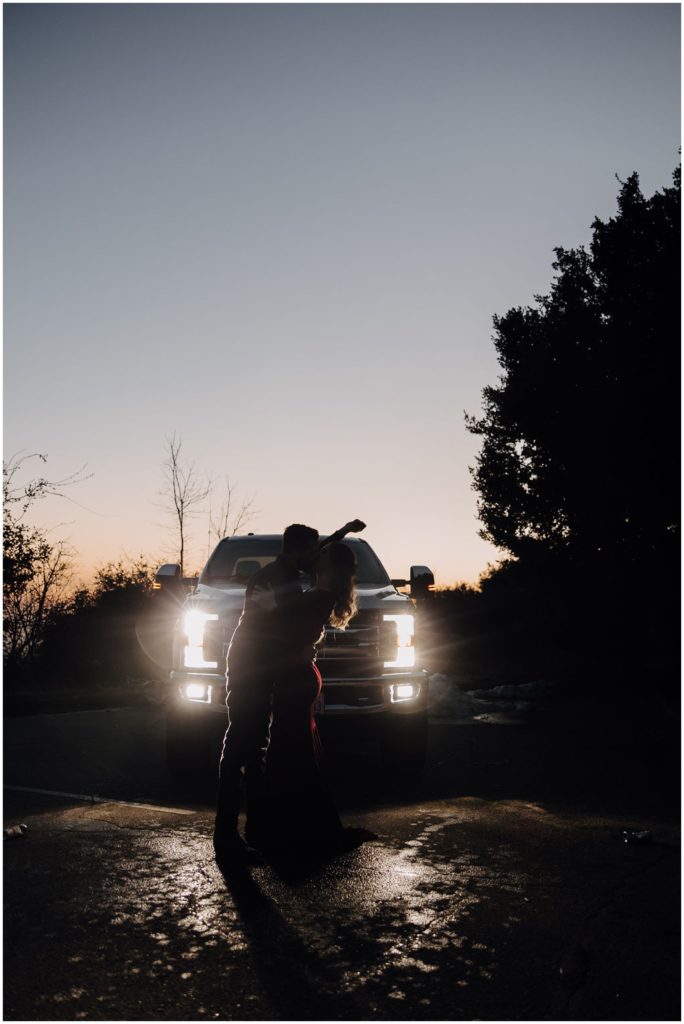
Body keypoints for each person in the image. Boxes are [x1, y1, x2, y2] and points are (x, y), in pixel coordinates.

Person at [213, 521, 365, 865]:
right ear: (299, 550)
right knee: (239, 746)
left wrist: (343, 532)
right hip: (250, 668)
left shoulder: (288, 574)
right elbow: (287, 624)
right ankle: (225, 836)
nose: (316, 559)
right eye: (313, 552)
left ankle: (257, 830)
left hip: (269, 670)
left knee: (255, 750)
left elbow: (320, 554)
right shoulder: (273, 580)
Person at [253, 542, 377, 861]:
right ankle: (298, 825)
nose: (313, 556)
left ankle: (287, 830)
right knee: (297, 753)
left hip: (296, 680)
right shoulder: (320, 593)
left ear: (328, 566)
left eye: (320, 555)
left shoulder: (320, 595)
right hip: (298, 677)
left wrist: (268, 607)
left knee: (286, 750)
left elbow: (293, 633)